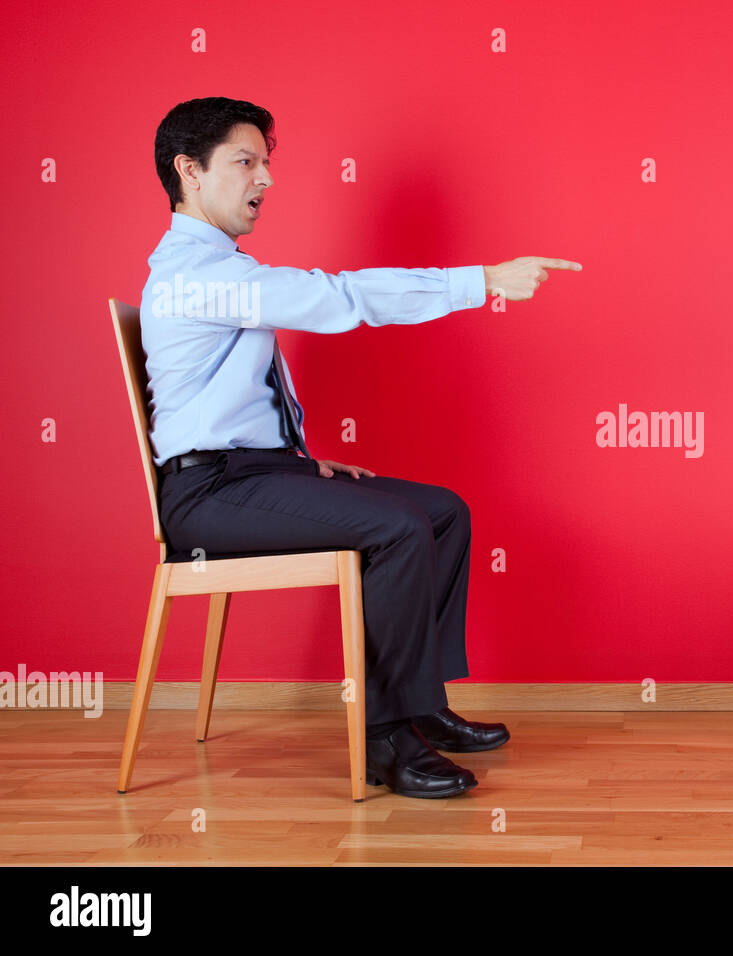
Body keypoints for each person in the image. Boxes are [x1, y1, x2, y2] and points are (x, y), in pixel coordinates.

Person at [142, 96, 581, 798]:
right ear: (189, 171)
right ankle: (385, 736)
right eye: (245, 162)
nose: (265, 180)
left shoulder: (223, 270)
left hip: (254, 473)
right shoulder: (198, 276)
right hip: (209, 495)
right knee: (398, 528)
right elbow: (337, 298)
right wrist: (483, 281)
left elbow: (226, 403)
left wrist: (303, 464)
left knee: (442, 511)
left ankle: (420, 703)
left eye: (266, 163)